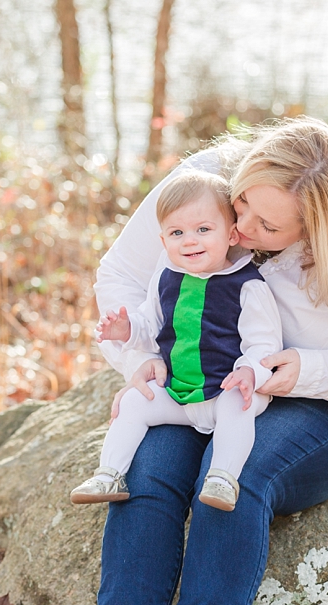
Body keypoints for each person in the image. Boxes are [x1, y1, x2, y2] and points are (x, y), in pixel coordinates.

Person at [93, 117, 328, 605]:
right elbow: (120, 274)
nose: (240, 229)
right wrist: (140, 358)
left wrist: (309, 369)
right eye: (241, 206)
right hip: (206, 385)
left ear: (316, 228)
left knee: (236, 476)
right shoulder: (202, 183)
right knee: (149, 468)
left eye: (268, 227)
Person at [69, 171, 282, 511]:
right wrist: (126, 329)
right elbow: (150, 325)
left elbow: (265, 344)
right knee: (133, 402)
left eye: (203, 230)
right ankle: (110, 473)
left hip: (226, 388)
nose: (189, 241)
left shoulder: (247, 285)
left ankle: (223, 478)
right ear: (163, 239)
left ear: (230, 235)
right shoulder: (166, 279)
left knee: (237, 407)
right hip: (180, 392)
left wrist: (250, 372)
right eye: (177, 232)